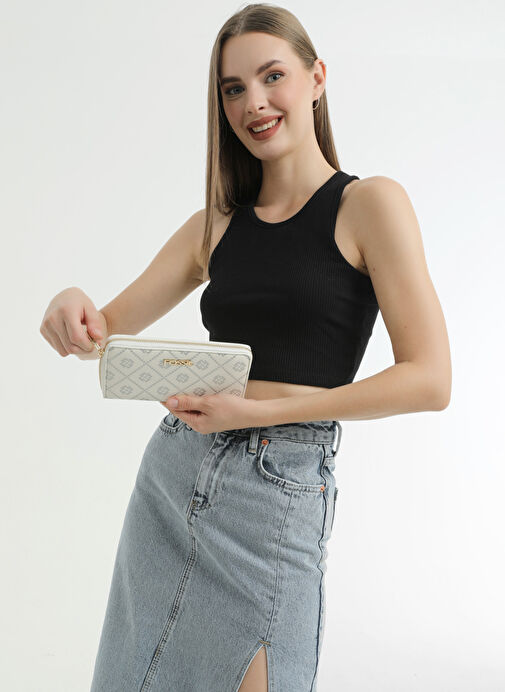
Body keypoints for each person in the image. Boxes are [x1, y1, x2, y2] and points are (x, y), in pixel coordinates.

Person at [40, 4, 451, 691]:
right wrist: (71, 306)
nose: (253, 102)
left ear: (316, 78)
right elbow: (100, 333)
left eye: (272, 76)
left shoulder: (369, 205)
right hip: (174, 478)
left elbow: (429, 380)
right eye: (233, 88)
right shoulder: (215, 224)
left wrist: (260, 414)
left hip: (277, 489)